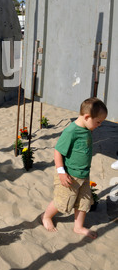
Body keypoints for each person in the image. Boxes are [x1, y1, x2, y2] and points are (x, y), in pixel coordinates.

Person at [41, 97, 108, 239]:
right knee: (62, 201)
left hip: (84, 175)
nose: (99, 125)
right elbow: (58, 151)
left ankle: (78, 227)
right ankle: (46, 216)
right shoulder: (71, 131)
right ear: (87, 116)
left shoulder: (87, 128)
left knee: (83, 202)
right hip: (69, 176)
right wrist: (61, 172)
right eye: (98, 122)